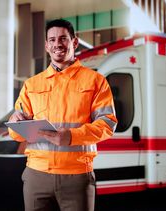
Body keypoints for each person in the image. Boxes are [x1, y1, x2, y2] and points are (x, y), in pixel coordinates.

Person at [8, 19, 117, 211]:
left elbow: (107, 124)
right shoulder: (32, 85)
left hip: (76, 176)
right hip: (36, 175)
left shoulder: (95, 81)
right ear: (46, 45)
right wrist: (14, 122)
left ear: (74, 42)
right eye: (52, 39)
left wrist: (72, 136)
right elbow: (16, 134)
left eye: (63, 39)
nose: (57, 44)